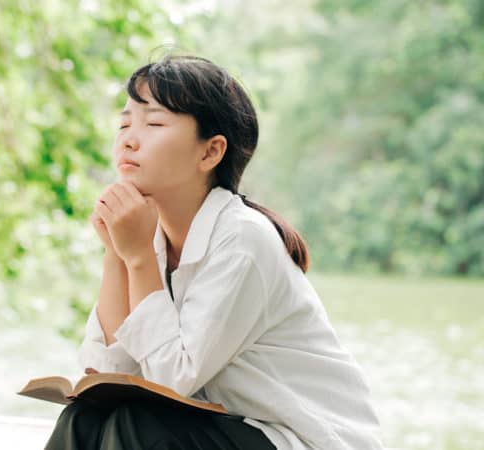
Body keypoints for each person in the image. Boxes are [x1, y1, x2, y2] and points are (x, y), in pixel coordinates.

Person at [44, 54, 383, 449]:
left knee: (138, 425)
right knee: (84, 417)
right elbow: (106, 373)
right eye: (124, 123)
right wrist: (117, 253)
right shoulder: (148, 238)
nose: (128, 139)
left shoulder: (243, 239)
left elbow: (169, 380)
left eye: (153, 124)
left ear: (210, 152)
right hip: (221, 427)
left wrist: (135, 257)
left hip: (299, 438)